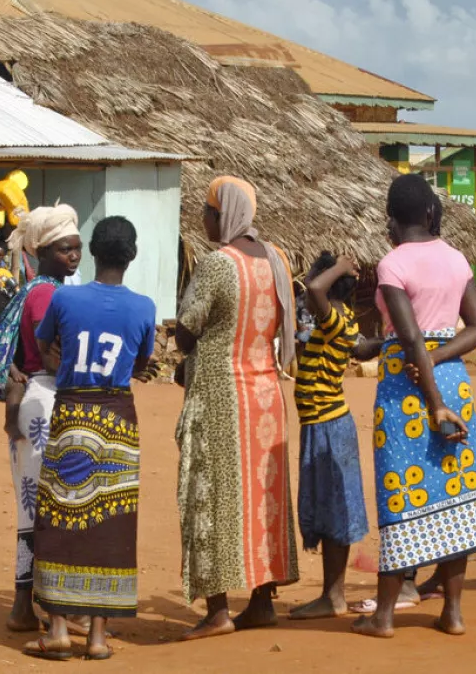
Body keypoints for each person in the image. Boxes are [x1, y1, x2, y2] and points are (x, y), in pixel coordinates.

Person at [352, 174, 476, 640]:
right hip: (454, 380)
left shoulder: (393, 263)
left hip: (407, 388)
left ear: (390, 219)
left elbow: (410, 335)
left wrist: (430, 395)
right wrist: (438, 364)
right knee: (456, 492)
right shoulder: (456, 259)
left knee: (402, 491)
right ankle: (452, 612)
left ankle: (385, 616)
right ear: (432, 213)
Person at [25, 216, 158, 662]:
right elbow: (141, 363)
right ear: (131, 256)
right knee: (111, 522)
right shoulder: (144, 307)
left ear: (93, 253)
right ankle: (98, 637)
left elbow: (46, 349)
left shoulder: (65, 298)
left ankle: (58, 627)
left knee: (60, 514)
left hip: (72, 411)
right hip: (117, 415)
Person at [175, 176, 298, 641]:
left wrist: (184, 349)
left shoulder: (217, 265)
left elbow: (187, 331)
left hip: (220, 395)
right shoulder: (278, 260)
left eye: (207, 211)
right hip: (266, 393)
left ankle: (218, 609)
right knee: (262, 496)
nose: (204, 219)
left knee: (210, 495)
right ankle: (262, 601)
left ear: (223, 213)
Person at [0, 204, 82, 633]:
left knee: (31, 510)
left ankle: (25, 605)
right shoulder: (46, 294)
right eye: (65, 249)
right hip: (43, 398)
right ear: (41, 251)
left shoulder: (37, 289)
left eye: (77, 248)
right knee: (50, 507)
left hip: (30, 403)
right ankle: (41, 604)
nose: (74, 257)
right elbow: (49, 353)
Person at [287, 252, 370, 621]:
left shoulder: (334, 318)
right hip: (322, 424)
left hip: (327, 424)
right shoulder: (341, 319)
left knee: (335, 509)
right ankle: (329, 594)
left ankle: (333, 596)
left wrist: (336, 268)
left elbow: (316, 288)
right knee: (330, 507)